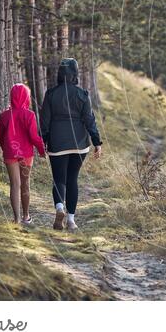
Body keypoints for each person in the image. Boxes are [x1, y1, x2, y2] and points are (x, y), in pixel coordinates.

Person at [40, 58, 102, 232]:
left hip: (57, 142)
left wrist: (43, 142)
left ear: (60, 74)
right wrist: (96, 142)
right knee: (72, 179)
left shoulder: (51, 94)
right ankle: (71, 221)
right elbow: (89, 120)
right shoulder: (82, 94)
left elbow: (45, 121)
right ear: (75, 74)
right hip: (79, 143)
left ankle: (59, 208)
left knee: (59, 179)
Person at [0, 84, 46, 225]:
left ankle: (16, 219)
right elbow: (34, 137)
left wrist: (5, 147)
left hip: (10, 153)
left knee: (14, 185)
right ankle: (26, 217)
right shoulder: (29, 115)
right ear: (26, 97)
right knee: (25, 184)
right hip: (26, 154)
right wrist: (42, 150)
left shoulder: (5, 115)